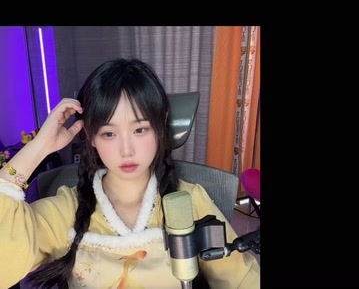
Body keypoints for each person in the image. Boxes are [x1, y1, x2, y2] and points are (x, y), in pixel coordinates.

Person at [0, 58, 260, 288]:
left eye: (139, 130)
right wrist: (40, 147)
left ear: (160, 126)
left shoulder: (189, 202)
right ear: (90, 136)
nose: (126, 150)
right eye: (109, 133)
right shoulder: (66, 210)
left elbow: (241, 278)